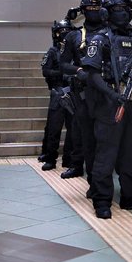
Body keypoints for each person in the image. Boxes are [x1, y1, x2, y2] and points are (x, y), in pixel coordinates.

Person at [81, 0, 132, 219]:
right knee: (106, 153)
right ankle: (102, 199)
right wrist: (112, 94)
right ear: (107, 12)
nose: (122, 14)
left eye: (126, 10)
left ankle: (130, 196)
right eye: (116, 10)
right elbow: (92, 74)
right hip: (110, 103)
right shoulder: (100, 39)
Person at [58, 0, 109, 182]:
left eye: (97, 9)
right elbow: (63, 64)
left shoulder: (109, 34)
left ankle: (103, 179)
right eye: (90, 9)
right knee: (86, 138)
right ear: (83, 10)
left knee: (106, 139)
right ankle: (92, 181)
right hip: (83, 94)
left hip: (107, 93)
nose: (93, 12)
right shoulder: (73, 36)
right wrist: (78, 71)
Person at [38, 18, 76, 171]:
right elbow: (46, 71)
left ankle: (69, 159)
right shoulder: (53, 51)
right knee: (54, 128)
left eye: (67, 32)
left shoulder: (75, 50)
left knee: (73, 129)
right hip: (58, 92)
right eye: (61, 32)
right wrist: (62, 73)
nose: (64, 34)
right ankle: (50, 158)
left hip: (73, 92)